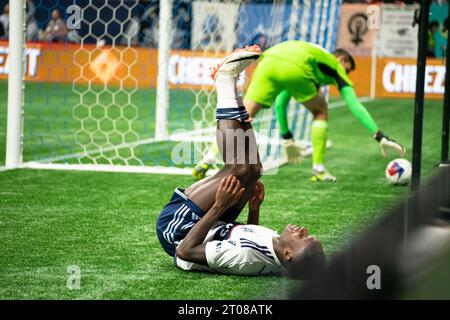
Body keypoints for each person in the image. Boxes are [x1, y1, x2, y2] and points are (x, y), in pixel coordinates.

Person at [157, 46, 326, 279]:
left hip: (177, 229)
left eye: (304, 239)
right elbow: (245, 233)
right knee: (255, 170)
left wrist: (219, 206)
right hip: (212, 226)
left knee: (238, 169)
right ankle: (236, 96)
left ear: (289, 255)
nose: (305, 231)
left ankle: (224, 81)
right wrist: (253, 210)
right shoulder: (275, 249)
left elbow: (184, 251)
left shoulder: (245, 258)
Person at [195, 41, 406, 182]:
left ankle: (209, 158)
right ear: (341, 60)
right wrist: (379, 135)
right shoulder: (334, 64)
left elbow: (281, 103)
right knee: (321, 111)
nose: (345, 73)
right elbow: (354, 104)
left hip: (269, 60)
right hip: (294, 66)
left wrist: (287, 137)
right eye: (348, 68)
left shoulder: (312, 55)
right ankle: (319, 169)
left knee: (242, 115)